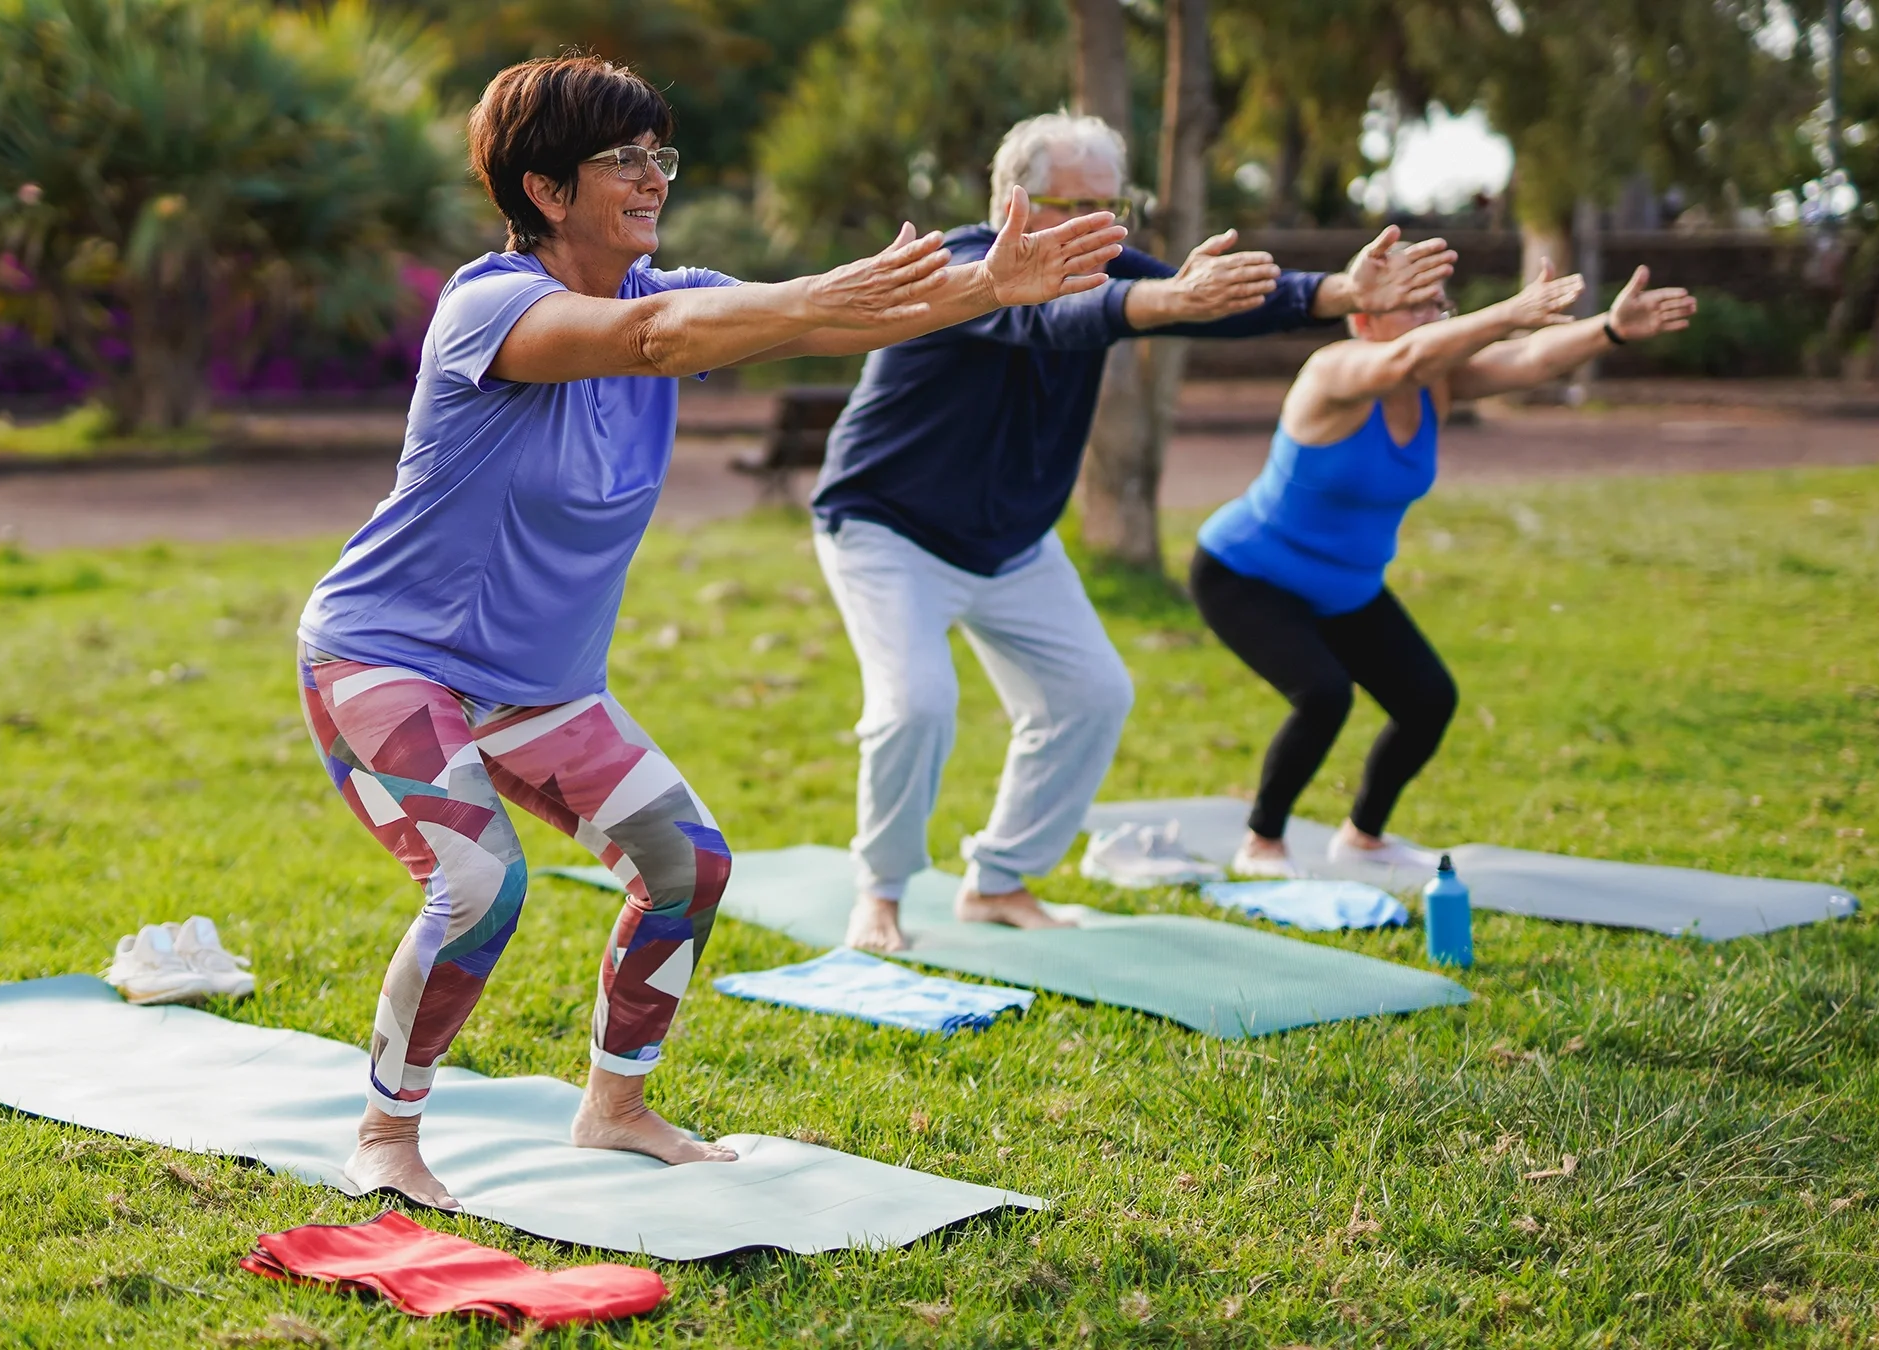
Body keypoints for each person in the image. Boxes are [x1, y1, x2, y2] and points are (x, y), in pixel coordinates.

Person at [294, 56, 1128, 1210]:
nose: (653, 178)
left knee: (689, 865)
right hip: (385, 658)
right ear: (546, 191)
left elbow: (827, 319)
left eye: (659, 156)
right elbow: (661, 341)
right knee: (478, 884)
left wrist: (993, 288)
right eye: (625, 159)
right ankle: (388, 1132)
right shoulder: (490, 305)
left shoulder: (670, 290)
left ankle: (617, 1106)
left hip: (538, 683)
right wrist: (833, 297)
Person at [813, 112, 1458, 953]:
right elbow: (1069, 318)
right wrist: (1163, 301)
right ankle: (883, 893)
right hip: (887, 526)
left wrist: (1339, 293)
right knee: (917, 704)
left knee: (1090, 696)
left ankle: (999, 881)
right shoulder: (962, 267)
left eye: (1112, 208)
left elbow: (1209, 304)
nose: (1096, 228)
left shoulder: (1100, 263)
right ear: (1015, 199)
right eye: (1069, 204)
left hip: (1010, 541)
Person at [1192, 261, 1697, 877]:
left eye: (1438, 306)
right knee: (1323, 695)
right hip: (1247, 572)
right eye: (1416, 304)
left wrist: (1609, 330)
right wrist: (1507, 312)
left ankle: (1363, 837)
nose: (1433, 318)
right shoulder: (1333, 372)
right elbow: (1403, 361)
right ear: (1363, 316)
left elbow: (1532, 359)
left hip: (1346, 585)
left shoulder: (1439, 382)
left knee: (1427, 700)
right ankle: (1262, 842)